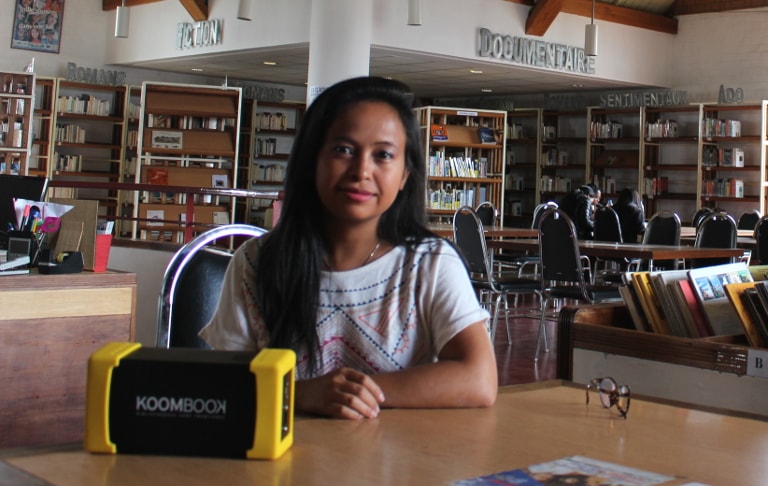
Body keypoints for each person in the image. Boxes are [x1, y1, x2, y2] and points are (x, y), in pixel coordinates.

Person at [199, 76, 497, 420]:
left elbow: (479, 379)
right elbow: (226, 384)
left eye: (383, 155)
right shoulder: (256, 262)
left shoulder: (430, 264)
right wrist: (301, 394)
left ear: (404, 175)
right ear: (312, 160)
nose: (361, 171)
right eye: (343, 150)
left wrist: (354, 392)